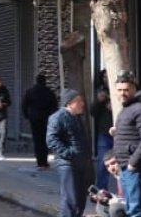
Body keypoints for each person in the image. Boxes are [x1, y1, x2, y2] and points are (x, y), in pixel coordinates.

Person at [113, 71, 141, 217]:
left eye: (126, 90)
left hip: (137, 168)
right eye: (119, 90)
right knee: (132, 209)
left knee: (136, 211)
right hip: (126, 167)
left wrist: (133, 162)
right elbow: (133, 133)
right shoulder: (127, 108)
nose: (122, 93)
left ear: (134, 89)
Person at [48, 89, 90, 217]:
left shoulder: (77, 118)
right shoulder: (58, 117)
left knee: (80, 200)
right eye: (79, 101)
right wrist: (69, 153)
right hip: (68, 165)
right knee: (70, 201)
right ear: (70, 103)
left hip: (79, 163)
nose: (82, 104)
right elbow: (51, 140)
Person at [23, 73, 59, 170]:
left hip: (34, 119)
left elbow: (24, 105)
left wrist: (27, 116)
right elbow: (54, 106)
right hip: (46, 119)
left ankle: (39, 161)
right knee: (44, 140)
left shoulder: (30, 92)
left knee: (37, 140)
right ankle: (44, 161)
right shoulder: (49, 92)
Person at [93, 86, 116, 190]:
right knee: (102, 163)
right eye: (104, 77)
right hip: (104, 134)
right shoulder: (101, 93)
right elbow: (93, 111)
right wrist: (99, 101)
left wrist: (115, 108)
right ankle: (101, 190)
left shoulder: (120, 92)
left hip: (119, 135)